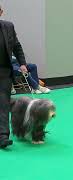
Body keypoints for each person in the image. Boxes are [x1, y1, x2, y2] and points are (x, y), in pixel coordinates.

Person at [0, 4, 27, 148]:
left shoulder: (8, 26)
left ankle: (3, 136)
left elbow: (17, 46)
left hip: (4, 71)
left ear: (1, 12)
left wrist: (22, 63)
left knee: (3, 103)